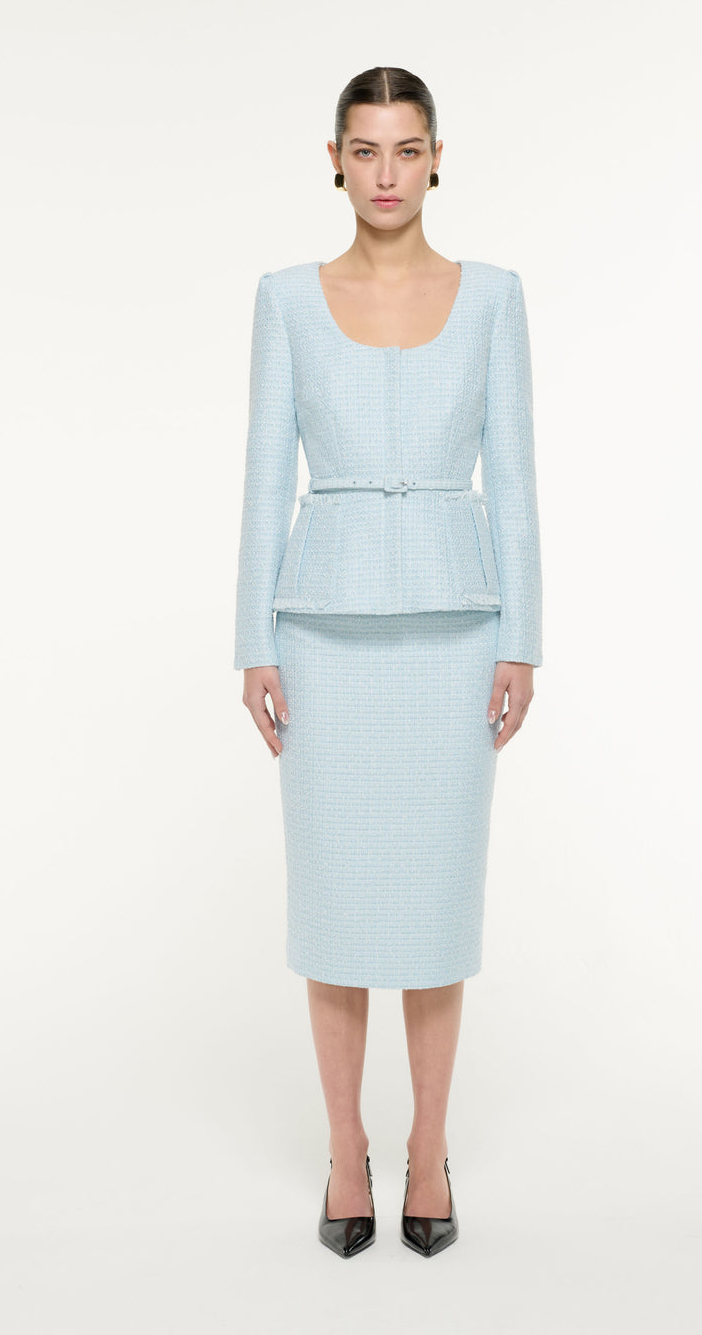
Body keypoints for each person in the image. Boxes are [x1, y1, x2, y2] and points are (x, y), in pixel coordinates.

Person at [233, 66, 543, 1258]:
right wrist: (253, 640)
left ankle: (427, 1149)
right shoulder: (285, 300)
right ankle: (342, 1149)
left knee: (433, 909)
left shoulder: (495, 297)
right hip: (322, 634)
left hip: (456, 633)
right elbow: (265, 476)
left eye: (406, 150)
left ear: (436, 159)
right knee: (336, 907)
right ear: (334, 161)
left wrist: (521, 636)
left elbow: (516, 478)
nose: (385, 173)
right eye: (364, 151)